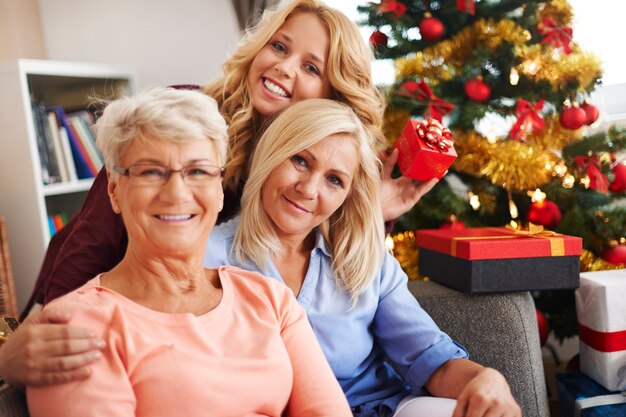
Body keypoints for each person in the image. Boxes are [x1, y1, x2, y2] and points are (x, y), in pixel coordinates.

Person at [0, 0, 434, 394]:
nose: (284, 68)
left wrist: (376, 210)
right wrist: (58, 323)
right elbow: (95, 236)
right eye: (279, 47)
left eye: (311, 68)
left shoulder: (321, 166)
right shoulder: (190, 115)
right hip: (97, 290)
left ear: (333, 98)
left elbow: (327, 276)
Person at [26, 88, 352, 417]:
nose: (177, 193)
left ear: (220, 190)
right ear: (114, 190)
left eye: (198, 171)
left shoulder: (271, 300)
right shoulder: (74, 326)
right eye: (151, 171)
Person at [204, 98, 521, 417]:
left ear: (346, 196)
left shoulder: (365, 259)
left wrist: (487, 378)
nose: (309, 189)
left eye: (334, 180)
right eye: (300, 160)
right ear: (270, 154)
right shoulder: (207, 257)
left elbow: (431, 361)